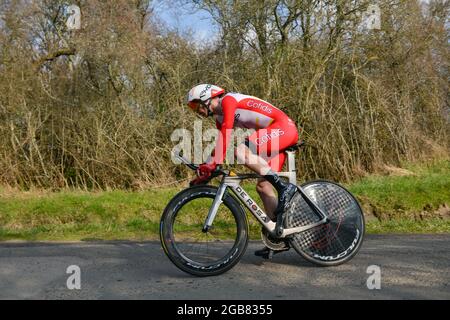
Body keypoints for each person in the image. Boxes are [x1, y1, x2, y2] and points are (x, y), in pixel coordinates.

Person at [186, 84, 299, 258]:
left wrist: (213, 163)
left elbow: (227, 133)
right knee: (263, 186)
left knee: (241, 151)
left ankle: (284, 187)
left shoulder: (228, 101)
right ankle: (279, 237)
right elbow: (220, 144)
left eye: (196, 105)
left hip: (282, 128)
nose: (197, 111)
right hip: (274, 134)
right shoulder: (219, 116)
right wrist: (205, 170)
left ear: (207, 98)